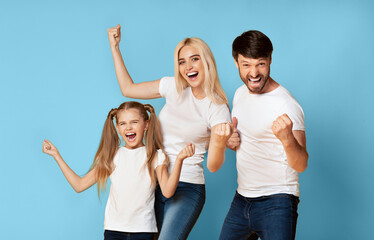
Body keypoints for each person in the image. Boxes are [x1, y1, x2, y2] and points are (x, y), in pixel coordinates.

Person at [107, 24, 232, 239]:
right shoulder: (173, 87)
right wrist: (115, 47)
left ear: (206, 61)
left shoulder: (217, 107)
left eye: (194, 59)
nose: (188, 67)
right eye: (182, 61)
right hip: (156, 180)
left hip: (187, 186)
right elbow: (128, 88)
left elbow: (214, 165)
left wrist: (220, 141)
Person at [42, 101, 195, 240]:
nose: (128, 127)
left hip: (143, 231)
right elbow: (79, 185)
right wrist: (56, 155)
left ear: (146, 125)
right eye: (123, 123)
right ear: (117, 128)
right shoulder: (112, 156)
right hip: (113, 230)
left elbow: (168, 191)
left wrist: (180, 160)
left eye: (134, 122)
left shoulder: (156, 156)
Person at [220, 30, 309, 240]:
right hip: (242, 198)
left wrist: (287, 138)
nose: (254, 73)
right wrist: (229, 141)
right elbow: (243, 140)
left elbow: (301, 164)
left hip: (278, 200)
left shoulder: (287, 104)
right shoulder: (240, 94)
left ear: (270, 60)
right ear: (236, 63)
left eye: (260, 63)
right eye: (246, 65)